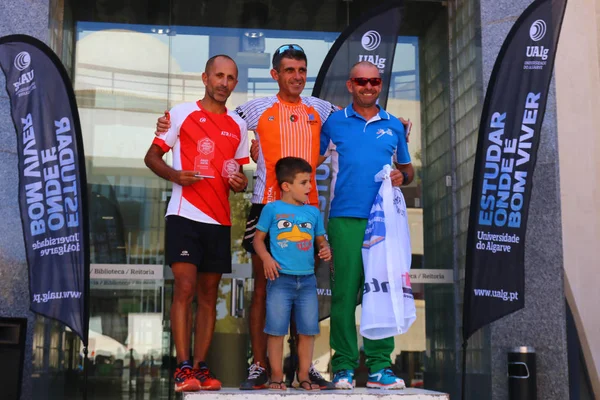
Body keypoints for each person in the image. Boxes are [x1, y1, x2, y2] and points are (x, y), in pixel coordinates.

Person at [155, 44, 338, 390]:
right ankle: (259, 365)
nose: (296, 77)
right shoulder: (253, 109)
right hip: (265, 206)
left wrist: (396, 125)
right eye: (289, 70)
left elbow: (350, 120)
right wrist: (167, 123)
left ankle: (303, 368)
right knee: (263, 289)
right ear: (275, 75)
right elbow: (218, 121)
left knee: (303, 289)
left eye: (301, 70)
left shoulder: (320, 108)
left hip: (306, 212)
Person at [144, 54, 249, 392]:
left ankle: (201, 369)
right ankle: (182, 367)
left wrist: (239, 183)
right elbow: (151, 157)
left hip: (219, 220)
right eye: (219, 76)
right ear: (205, 78)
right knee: (185, 288)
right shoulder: (180, 113)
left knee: (208, 296)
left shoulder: (239, 124)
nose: (224, 83)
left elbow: (239, 175)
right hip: (184, 214)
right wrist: (175, 175)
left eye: (231, 78)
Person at [319, 61, 415, 390]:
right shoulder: (333, 123)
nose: (368, 87)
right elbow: (307, 158)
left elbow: (408, 171)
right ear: (350, 85)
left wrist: (403, 176)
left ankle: (379, 368)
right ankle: (344, 366)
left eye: (374, 81)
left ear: (380, 84)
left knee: (381, 290)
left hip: (383, 221)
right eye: (362, 81)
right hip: (344, 218)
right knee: (345, 294)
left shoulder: (394, 126)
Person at [253, 157, 332, 391]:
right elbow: (257, 240)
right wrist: (267, 258)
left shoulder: (313, 212)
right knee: (276, 330)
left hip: (307, 280)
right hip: (280, 280)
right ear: (286, 186)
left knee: (308, 331)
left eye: (310, 182)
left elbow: (320, 241)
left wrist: (325, 249)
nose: (310, 187)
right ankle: (276, 376)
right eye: (304, 182)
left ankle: (303, 376)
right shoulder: (272, 209)